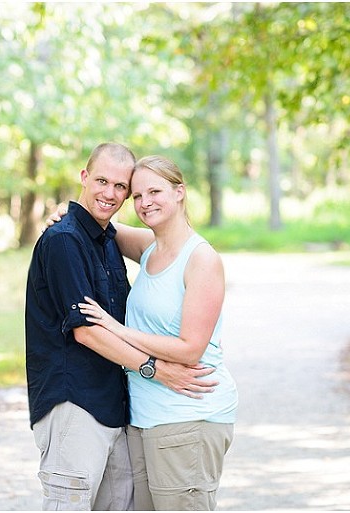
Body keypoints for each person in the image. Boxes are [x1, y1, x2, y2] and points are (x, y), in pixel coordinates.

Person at [25, 143, 218, 511]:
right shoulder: (65, 241)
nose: (110, 193)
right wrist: (156, 369)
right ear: (84, 177)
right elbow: (87, 330)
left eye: (120, 187)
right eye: (101, 181)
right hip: (75, 404)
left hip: (113, 407)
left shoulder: (108, 240)